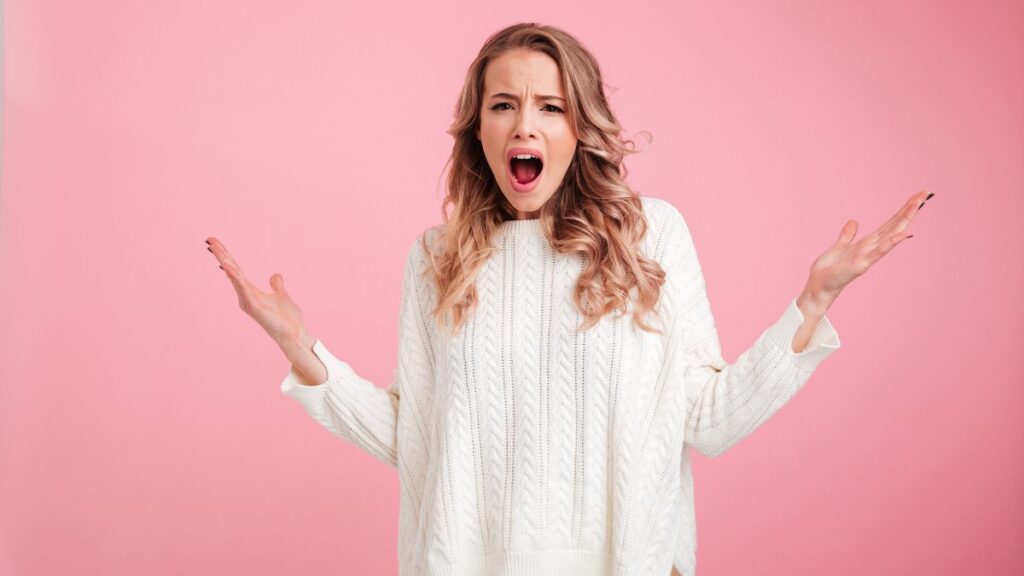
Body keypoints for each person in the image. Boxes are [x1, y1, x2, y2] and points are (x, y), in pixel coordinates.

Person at [206, 22, 931, 576]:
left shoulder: (650, 236)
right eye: (504, 105)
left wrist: (811, 305)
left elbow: (708, 420)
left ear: (577, 128)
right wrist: (303, 353)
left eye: (550, 106)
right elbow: (420, 440)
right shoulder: (436, 259)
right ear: (479, 131)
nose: (525, 124)